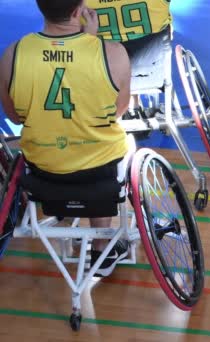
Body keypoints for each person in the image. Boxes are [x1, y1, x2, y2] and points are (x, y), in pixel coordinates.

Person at [0, 0, 131, 276]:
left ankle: (66, 215)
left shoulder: (13, 54)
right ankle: (101, 247)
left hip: (43, 172)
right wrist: (89, 42)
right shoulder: (114, 54)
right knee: (113, 143)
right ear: (78, 10)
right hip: (99, 173)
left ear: (39, 6)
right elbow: (117, 111)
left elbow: (13, 117)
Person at [86, 0, 172, 116]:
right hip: (149, 72)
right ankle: (133, 102)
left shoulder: (80, 5)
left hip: (102, 73)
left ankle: (127, 102)